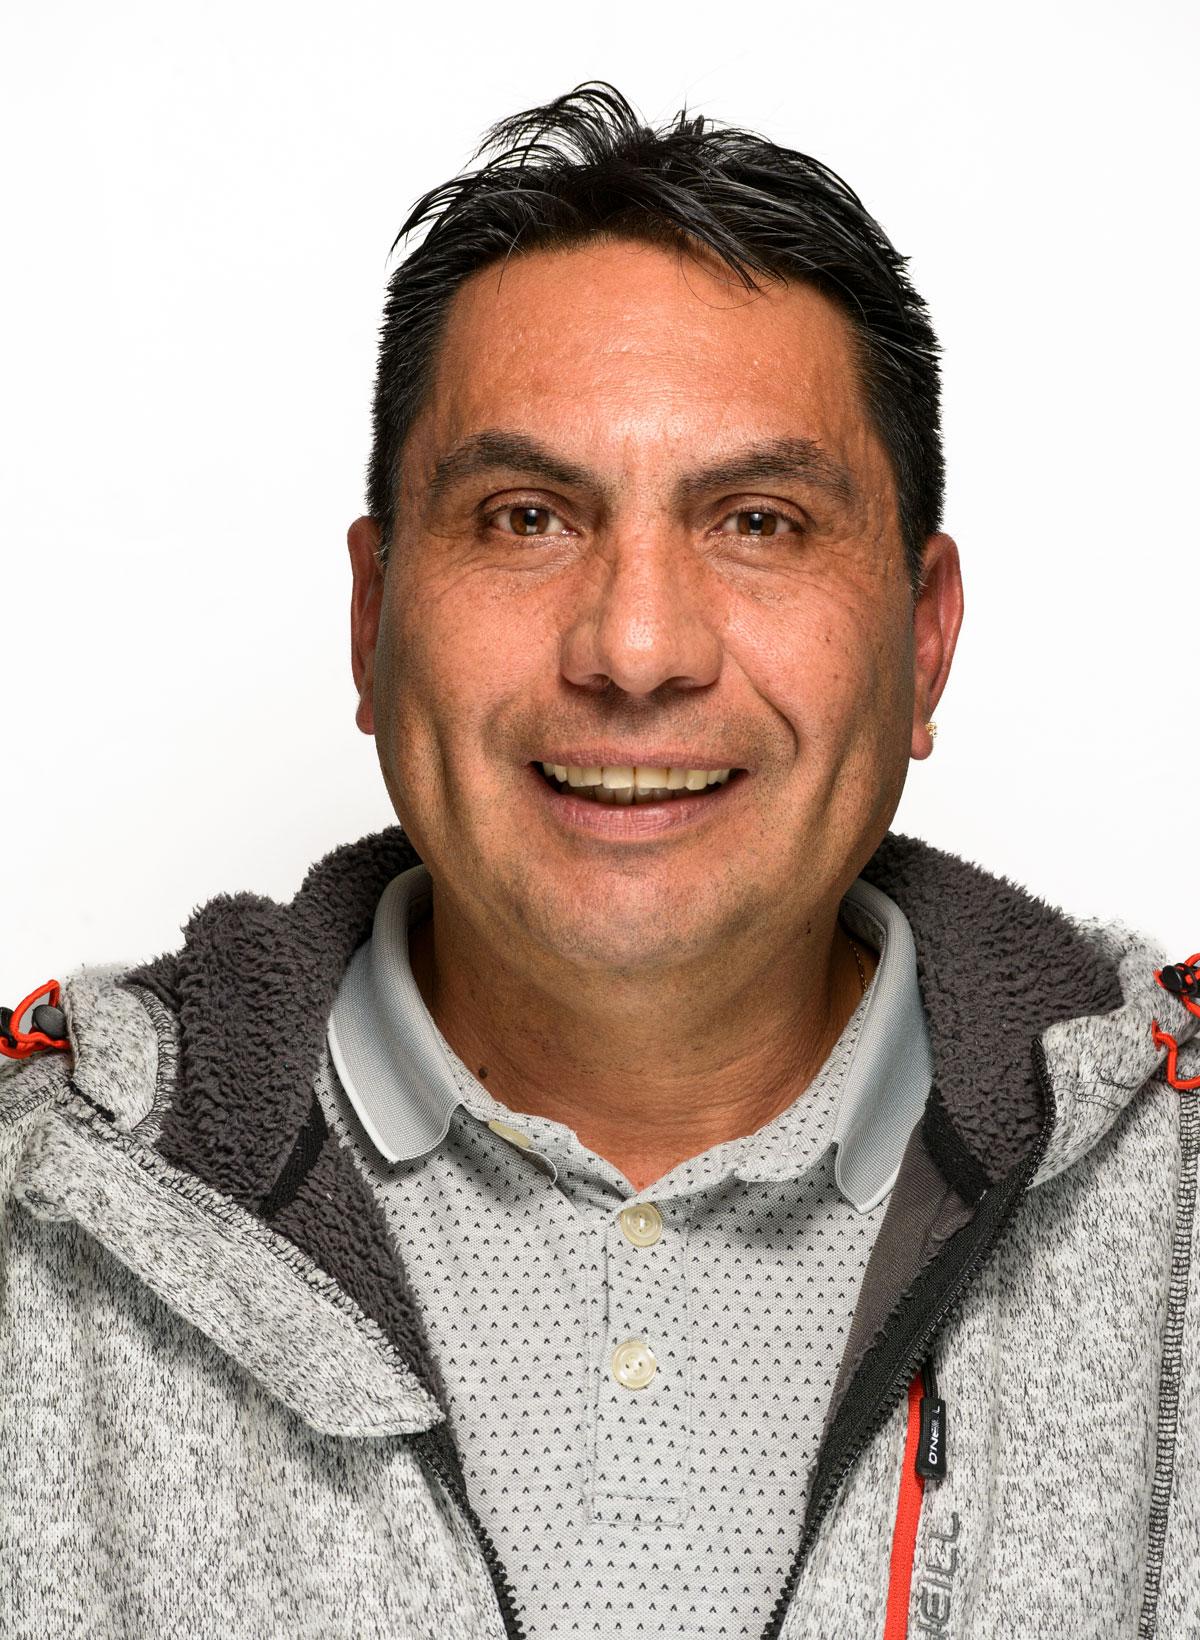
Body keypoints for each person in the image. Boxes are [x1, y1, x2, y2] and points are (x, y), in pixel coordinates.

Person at [1, 82, 1196, 1640]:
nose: (635, 648)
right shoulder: (38, 1216)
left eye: (758, 521)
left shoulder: (1177, 1225)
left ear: (925, 640)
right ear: (371, 619)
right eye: (525, 518)